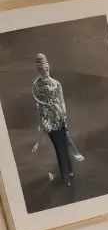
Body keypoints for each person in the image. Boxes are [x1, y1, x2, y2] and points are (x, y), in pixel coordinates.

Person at [30, 53, 82, 187]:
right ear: (38, 70)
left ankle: (69, 172)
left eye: (46, 69)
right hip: (48, 122)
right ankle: (66, 177)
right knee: (60, 148)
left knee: (65, 145)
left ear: (49, 68)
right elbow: (38, 105)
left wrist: (63, 115)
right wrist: (42, 123)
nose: (45, 71)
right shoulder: (37, 86)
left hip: (60, 118)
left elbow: (62, 101)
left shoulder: (56, 84)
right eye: (42, 69)